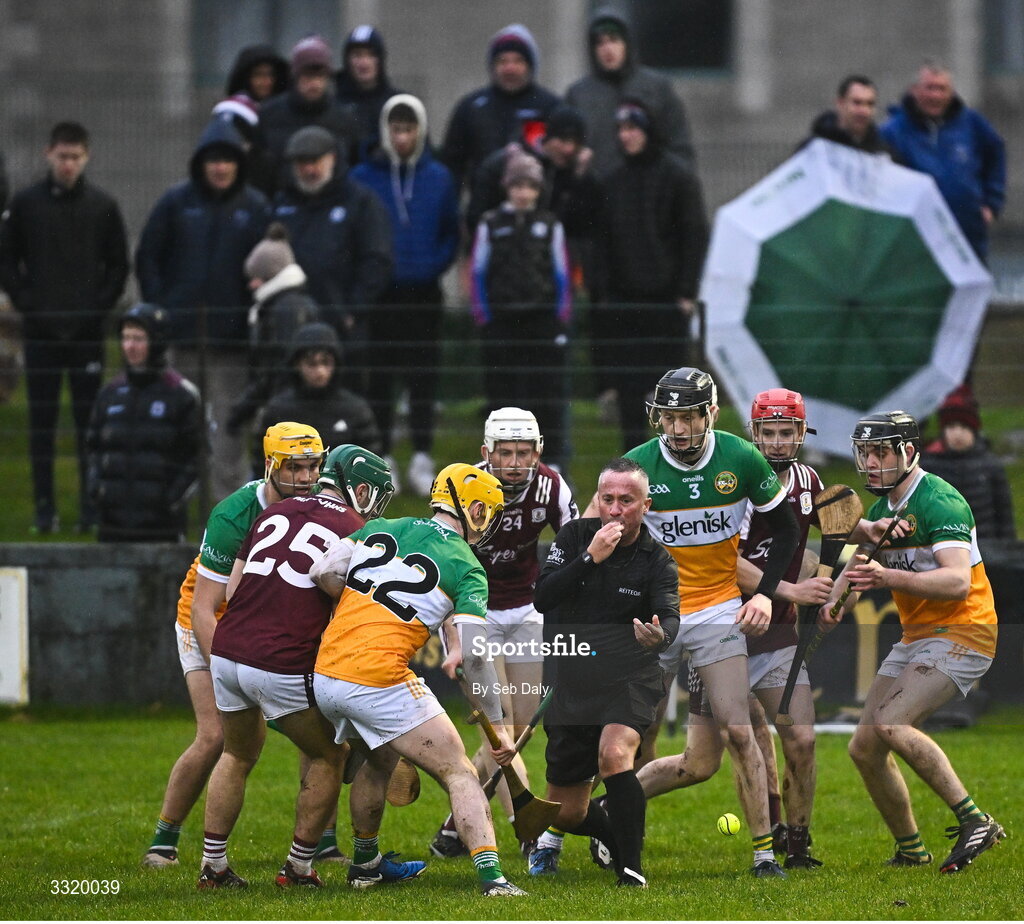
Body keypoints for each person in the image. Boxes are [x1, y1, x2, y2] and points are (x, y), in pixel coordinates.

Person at [611, 367, 800, 877]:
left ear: (710, 414)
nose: (676, 430)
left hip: (718, 610)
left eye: (687, 418)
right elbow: (602, 538)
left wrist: (761, 597)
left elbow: (785, 534)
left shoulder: (740, 457)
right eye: (667, 418)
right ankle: (609, 824)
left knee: (740, 732)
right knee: (633, 733)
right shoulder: (638, 466)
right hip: (657, 613)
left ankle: (764, 854)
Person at [309, 463, 527, 896]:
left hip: (327, 672)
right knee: (459, 770)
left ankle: (365, 865)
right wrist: (499, 726)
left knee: (379, 760)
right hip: (377, 677)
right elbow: (476, 654)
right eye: (489, 512)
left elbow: (323, 572)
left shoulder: (382, 525)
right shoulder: (468, 566)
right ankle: (493, 878)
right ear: (475, 509)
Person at [198, 445, 401, 889]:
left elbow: (235, 588)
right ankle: (299, 866)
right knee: (329, 754)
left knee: (234, 753)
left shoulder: (276, 509)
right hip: (278, 660)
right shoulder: (356, 528)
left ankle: (212, 867)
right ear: (360, 489)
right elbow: (348, 605)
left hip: (229, 649)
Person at [820, 410, 1004, 872]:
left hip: (965, 630)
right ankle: (911, 850)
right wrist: (832, 603)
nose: (872, 463)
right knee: (864, 747)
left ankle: (975, 820)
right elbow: (860, 566)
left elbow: (958, 583)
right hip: (917, 636)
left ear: (908, 451)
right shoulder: (883, 512)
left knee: (892, 723)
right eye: (865, 453)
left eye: (882, 452)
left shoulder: (941, 501)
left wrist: (886, 577)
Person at [140, 422, 326, 869]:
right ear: (269, 465)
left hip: (266, 624)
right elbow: (207, 607)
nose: (305, 477)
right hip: (207, 619)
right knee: (217, 735)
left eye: (312, 467)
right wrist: (231, 675)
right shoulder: (234, 513)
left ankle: (323, 843)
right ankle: (163, 842)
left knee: (318, 737)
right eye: (294, 467)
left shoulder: (320, 506)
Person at [429, 407, 577, 859]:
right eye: (505, 452)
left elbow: (571, 544)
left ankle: (458, 820)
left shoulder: (552, 485)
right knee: (503, 730)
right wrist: (449, 625)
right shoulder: (461, 486)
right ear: (486, 452)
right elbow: (437, 552)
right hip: (476, 612)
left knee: (522, 731)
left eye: (524, 452)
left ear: (538, 451)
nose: (515, 462)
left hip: (528, 610)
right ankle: (527, 833)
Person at [527, 458, 679, 887]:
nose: (615, 510)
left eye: (626, 501)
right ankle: (613, 832)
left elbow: (669, 618)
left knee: (614, 756)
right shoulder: (574, 537)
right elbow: (544, 597)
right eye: (608, 499)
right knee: (568, 811)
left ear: (645, 505)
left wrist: (660, 638)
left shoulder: (657, 560)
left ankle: (631, 869)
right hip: (571, 682)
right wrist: (589, 559)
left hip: (629, 677)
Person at [0, 121, 129, 534]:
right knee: (41, 424)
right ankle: (43, 508)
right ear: (48, 154)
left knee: (89, 426)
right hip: (41, 334)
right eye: (62, 156)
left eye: (75, 157)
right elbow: (7, 260)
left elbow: (118, 266)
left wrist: (97, 310)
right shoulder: (25, 204)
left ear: (86, 157)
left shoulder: (102, 205)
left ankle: (92, 508)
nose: (68, 164)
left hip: (86, 335)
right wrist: (28, 305)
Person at [135, 117, 270, 501]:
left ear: (238, 163)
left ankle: (226, 518)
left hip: (231, 345)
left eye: (228, 159)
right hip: (180, 342)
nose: (220, 167)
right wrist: (162, 312)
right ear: (201, 163)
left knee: (229, 431)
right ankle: (169, 507)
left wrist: (249, 317)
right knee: (174, 426)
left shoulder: (256, 207)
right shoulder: (175, 203)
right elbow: (148, 256)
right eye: (213, 159)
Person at [351, 94, 459, 496]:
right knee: (380, 378)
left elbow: (451, 230)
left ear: (420, 131)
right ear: (385, 131)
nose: (402, 137)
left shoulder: (438, 177)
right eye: (396, 129)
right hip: (381, 295)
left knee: (423, 377)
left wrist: (434, 264)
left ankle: (422, 455)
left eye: (409, 129)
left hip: (424, 293)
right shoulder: (364, 176)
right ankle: (385, 458)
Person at [591, 101, 708, 451]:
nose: (627, 136)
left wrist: (686, 290)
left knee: (673, 391)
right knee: (628, 388)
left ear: (648, 130)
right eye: (621, 129)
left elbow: (694, 234)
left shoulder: (678, 176)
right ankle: (632, 461)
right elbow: (602, 241)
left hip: (667, 302)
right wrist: (604, 294)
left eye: (634, 128)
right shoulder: (612, 180)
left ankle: (678, 456)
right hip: (625, 303)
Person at [470, 152, 571, 469]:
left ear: (538, 190)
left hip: (541, 319)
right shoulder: (490, 223)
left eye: (530, 186)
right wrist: (484, 317)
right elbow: (477, 272)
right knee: (502, 391)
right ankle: (499, 458)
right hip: (502, 320)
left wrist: (560, 319)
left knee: (546, 392)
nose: (523, 193)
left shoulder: (549, 224)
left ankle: (550, 459)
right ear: (506, 187)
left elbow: (562, 274)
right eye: (517, 185)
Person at [272, 125, 393, 370]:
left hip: (344, 334)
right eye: (301, 163)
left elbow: (377, 260)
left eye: (315, 161)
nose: (309, 169)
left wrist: (352, 311)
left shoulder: (361, 202)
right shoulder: (282, 205)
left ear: (333, 159)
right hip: (292, 331)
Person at [85, 303, 203, 542]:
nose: (130, 346)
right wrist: (97, 492)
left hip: (162, 528)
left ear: (157, 341)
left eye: (138, 338)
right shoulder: (109, 393)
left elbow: (197, 457)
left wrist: (171, 500)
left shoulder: (182, 395)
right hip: (111, 525)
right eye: (125, 338)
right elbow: (92, 449)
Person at [881, 61, 1006, 262]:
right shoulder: (893, 132)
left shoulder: (972, 124)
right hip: (915, 242)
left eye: (942, 89)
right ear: (914, 90)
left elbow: (996, 154)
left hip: (967, 239)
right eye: (930, 88)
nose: (936, 95)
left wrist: (991, 203)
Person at [565, 8, 695, 180]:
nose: (608, 49)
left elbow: (680, 148)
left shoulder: (656, 89)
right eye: (600, 43)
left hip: (650, 194)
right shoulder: (579, 96)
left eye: (614, 40)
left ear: (627, 43)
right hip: (598, 196)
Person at [439, 23, 561, 192]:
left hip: (535, 207)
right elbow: (453, 164)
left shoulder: (549, 106)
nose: (510, 68)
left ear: (530, 65)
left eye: (518, 61)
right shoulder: (472, 107)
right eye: (503, 61)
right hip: (483, 206)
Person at [227, 223, 320, 438]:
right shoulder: (290, 304)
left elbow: (274, 370)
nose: (251, 285)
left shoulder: (282, 311)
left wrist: (242, 409)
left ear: (272, 277)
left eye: (256, 277)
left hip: (287, 412)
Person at [465, 104, 601, 247]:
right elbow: (477, 217)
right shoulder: (503, 164)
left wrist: (580, 180)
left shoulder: (580, 173)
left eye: (576, 143)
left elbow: (585, 228)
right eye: (562, 141)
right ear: (548, 137)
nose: (569, 149)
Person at [257, 322, 381, 462]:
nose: (320, 371)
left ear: (336, 364)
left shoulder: (355, 411)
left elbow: (370, 465)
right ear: (297, 365)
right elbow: (263, 465)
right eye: (311, 363)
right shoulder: (278, 410)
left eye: (325, 362)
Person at [255, 35, 359, 196]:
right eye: (308, 76)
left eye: (320, 76)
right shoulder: (269, 115)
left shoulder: (345, 117)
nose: (314, 84)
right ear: (295, 77)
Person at [921, 385, 1016, 542]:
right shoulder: (929, 466)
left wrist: (1008, 551)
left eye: (964, 427)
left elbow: (1004, 518)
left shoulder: (990, 465)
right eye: (951, 427)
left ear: (974, 430)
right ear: (943, 430)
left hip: (988, 550)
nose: (957, 433)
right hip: (944, 547)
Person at [336, 25, 402, 158]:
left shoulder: (397, 102)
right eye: (357, 55)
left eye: (371, 55)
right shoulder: (335, 105)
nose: (364, 62)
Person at [800, 75, 894, 155]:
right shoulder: (812, 149)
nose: (864, 111)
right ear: (840, 103)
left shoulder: (883, 153)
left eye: (870, 104)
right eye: (857, 103)